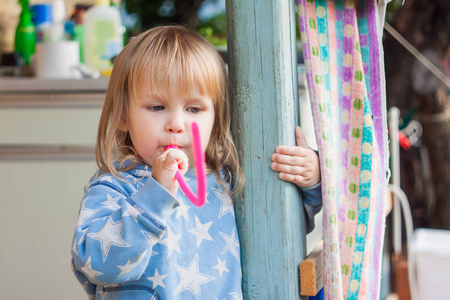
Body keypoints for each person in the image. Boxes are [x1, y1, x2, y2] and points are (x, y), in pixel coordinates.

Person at [71, 25, 322, 300]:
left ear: (215, 119)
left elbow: (282, 228)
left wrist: (312, 181)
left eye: (194, 109)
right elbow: (98, 266)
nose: (176, 125)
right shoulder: (115, 187)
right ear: (123, 116)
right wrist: (154, 195)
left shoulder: (227, 181)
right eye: (157, 107)